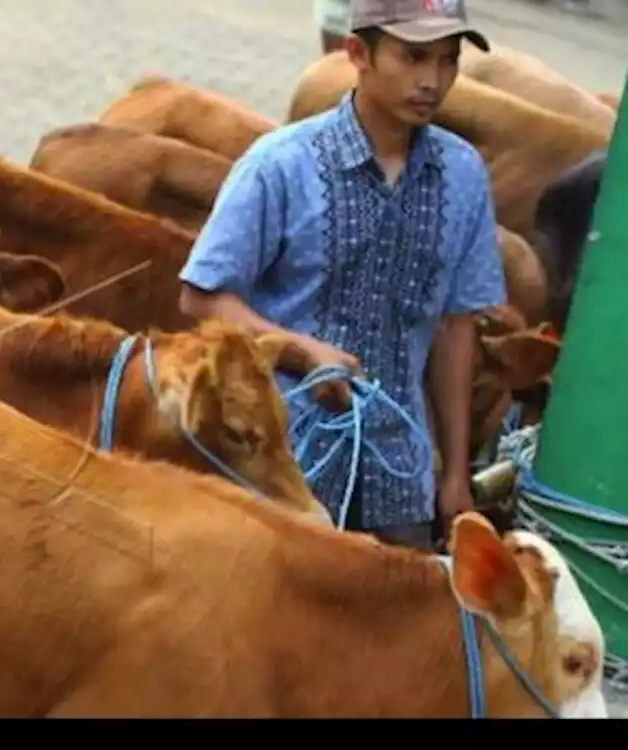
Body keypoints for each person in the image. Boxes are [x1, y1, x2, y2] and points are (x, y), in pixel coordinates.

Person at [177, 0, 505, 550]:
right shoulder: (281, 163)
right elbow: (202, 295)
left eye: (447, 61)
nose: (433, 80)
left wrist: (452, 477)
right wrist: (302, 351)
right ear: (358, 53)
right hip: (279, 458)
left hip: (399, 468)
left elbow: (455, 327)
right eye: (414, 57)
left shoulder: (464, 175)